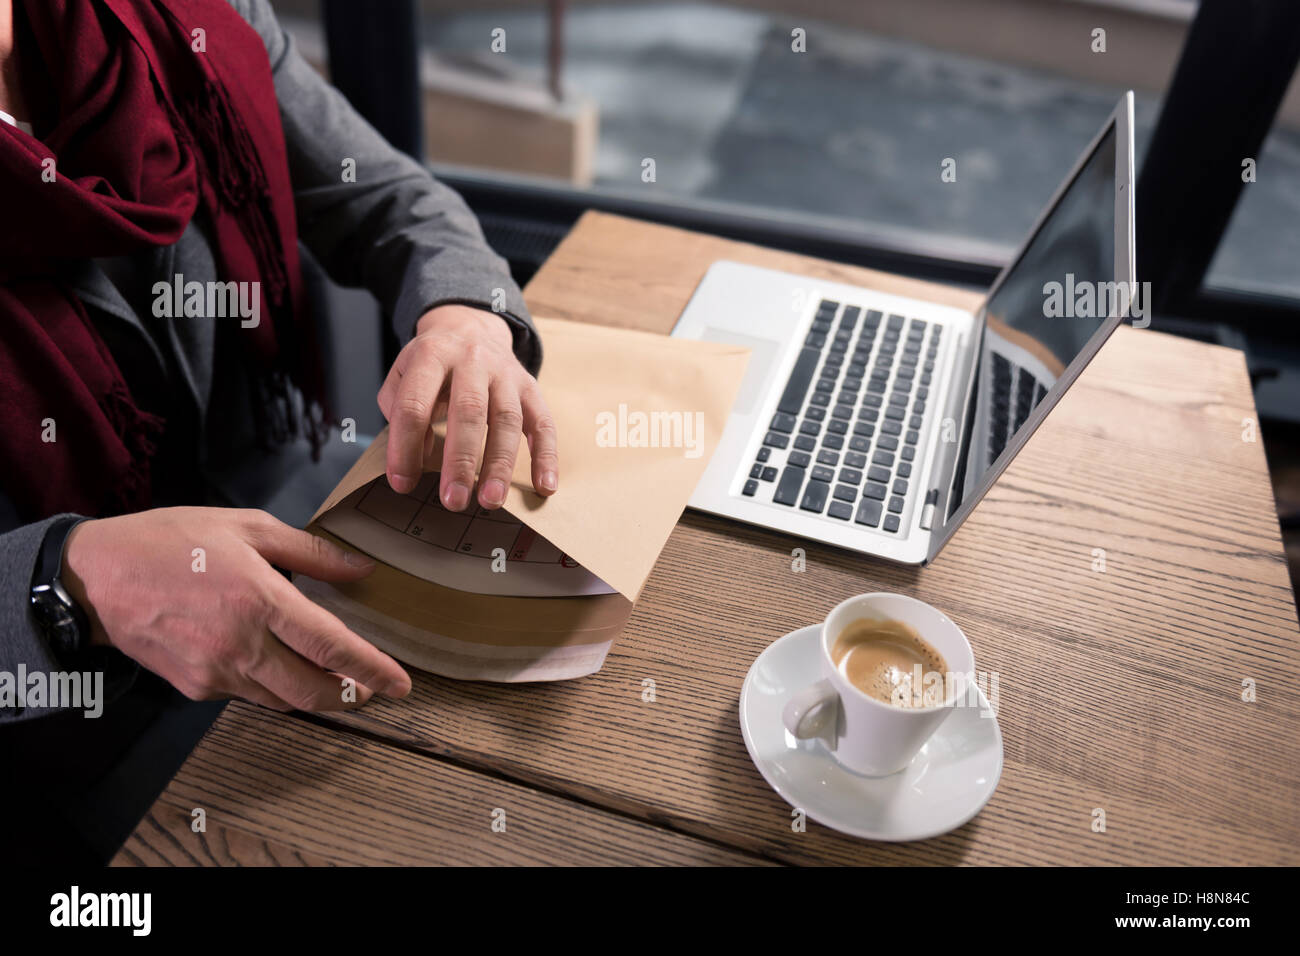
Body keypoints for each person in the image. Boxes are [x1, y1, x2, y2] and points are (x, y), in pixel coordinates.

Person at [0, 0, 559, 861]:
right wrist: (70, 582)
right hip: (63, 731)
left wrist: (467, 318)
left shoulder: (174, 18)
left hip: (300, 526)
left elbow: (387, 197)